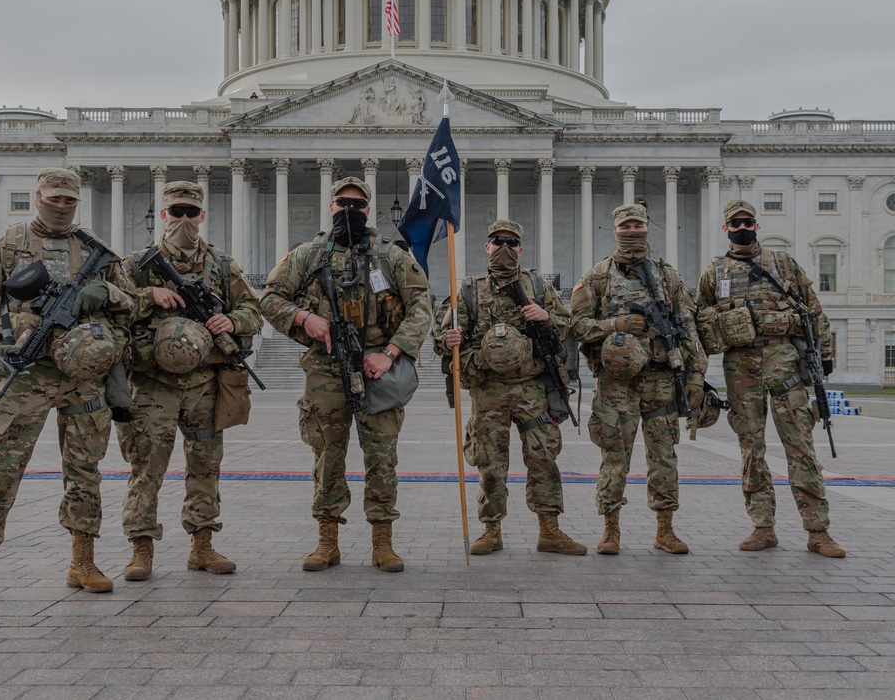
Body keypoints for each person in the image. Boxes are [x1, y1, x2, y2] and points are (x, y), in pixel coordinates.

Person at [0, 167, 135, 606]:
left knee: (85, 473)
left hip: (83, 377)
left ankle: (83, 561)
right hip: (25, 375)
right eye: (54, 198)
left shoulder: (98, 253)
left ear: (77, 202)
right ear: (38, 197)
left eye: (69, 200)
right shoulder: (9, 246)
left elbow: (132, 307)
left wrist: (105, 297)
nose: (61, 206)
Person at [261, 177, 432, 573]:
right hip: (326, 367)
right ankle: (327, 541)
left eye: (357, 204)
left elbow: (422, 304)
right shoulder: (308, 255)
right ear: (331, 207)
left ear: (368, 209)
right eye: (342, 203)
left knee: (382, 456)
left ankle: (382, 542)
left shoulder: (390, 256)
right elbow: (269, 298)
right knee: (327, 454)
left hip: (376, 366)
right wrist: (305, 319)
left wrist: (390, 353)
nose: (349, 210)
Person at [117, 180, 262, 580]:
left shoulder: (221, 265)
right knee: (147, 467)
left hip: (204, 382)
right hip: (153, 383)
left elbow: (254, 309)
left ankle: (202, 545)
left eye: (190, 212)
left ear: (202, 215)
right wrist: (150, 298)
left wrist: (231, 319)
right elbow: (111, 306)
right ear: (163, 215)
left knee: (205, 467)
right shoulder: (135, 266)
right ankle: (141, 549)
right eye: (176, 212)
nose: (183, 219)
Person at [694, 199, 844, 557]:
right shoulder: (714, 273)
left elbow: (813, 307)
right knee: (751, 449)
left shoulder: (783, 263)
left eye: (748, 222)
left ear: (756, 226)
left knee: (801, 447)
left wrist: (824, 355)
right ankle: (762, 527)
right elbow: (698, 321)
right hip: (740, 368)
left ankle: (818, 531)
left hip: (784, 362)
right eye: (735, 223)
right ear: (725, 228)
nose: (742, 227)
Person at [434, 219, 587, 557]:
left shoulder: (538, 286)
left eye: (511, 242)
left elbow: (567, 325)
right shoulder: (469, 291)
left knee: (543, 458)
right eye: (497, 241)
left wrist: (545, 317)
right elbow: (442, 338)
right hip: (488, 390)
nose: (504, 247)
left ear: (521, 248)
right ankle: (491, 531)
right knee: (489, 462)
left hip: (532, 387)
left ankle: (550, 530)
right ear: (486, 247)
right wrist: (450, 340)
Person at [570, 203, 706, 556]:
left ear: (648, 228)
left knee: (664, 457)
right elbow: (576, 326)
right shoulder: (596, 277)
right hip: (617, 385)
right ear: (615, 229)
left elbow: (688, 326)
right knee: (614, 457)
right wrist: (614, 325)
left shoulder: (668, 278)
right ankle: (611, 529)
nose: (633, 230)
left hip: (662, 380)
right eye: (626, 225)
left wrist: (695, 375)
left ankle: (665, 529)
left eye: (639, 224)